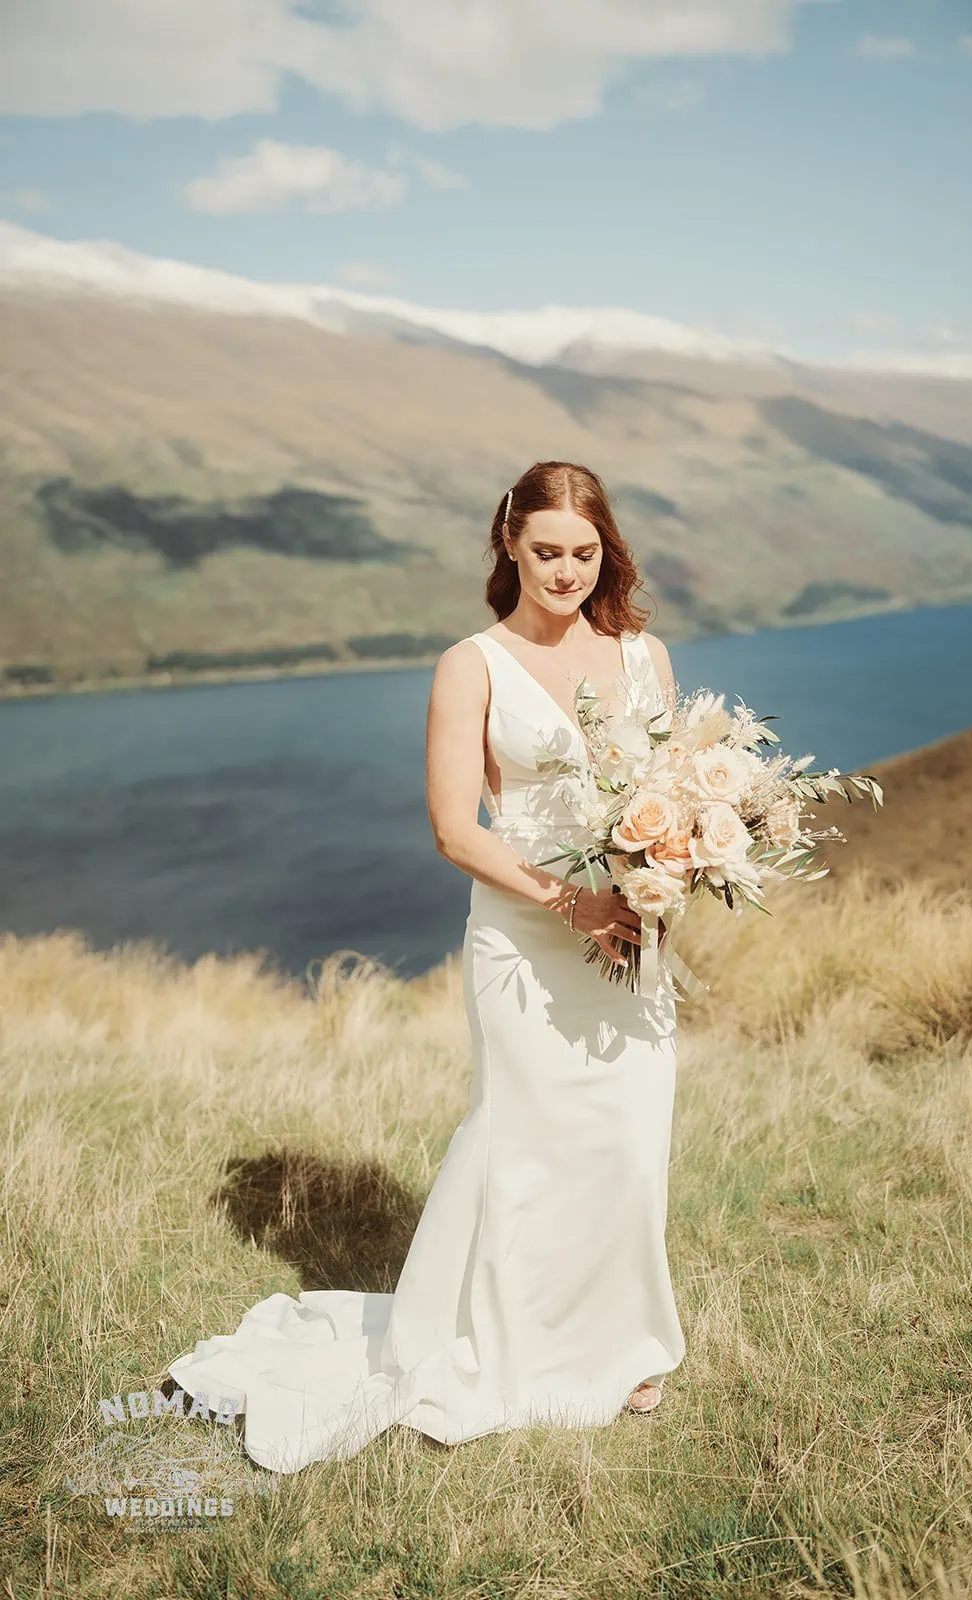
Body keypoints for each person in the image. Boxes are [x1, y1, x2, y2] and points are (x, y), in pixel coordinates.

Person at [165, 460, 686, 1473]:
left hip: (629, 937)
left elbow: (663, 795)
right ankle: (502, 1344)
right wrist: (568, 899)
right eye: (545, 553)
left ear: (604, 551)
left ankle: (618, 1343)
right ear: (508, 544)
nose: (565, 572)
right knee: (522, 1140)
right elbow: (455, 828)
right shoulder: (470, 664)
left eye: (583, 554)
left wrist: (663, 877)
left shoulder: (643, 656)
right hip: (525, 935)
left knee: (624, 1142)